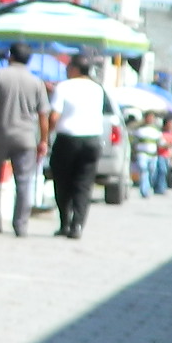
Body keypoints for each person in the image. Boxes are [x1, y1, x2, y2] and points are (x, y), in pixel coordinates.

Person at [0, 41, 48, 235]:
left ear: (10, 56)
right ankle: (21, 225)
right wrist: (43, 140)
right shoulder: (37, 82)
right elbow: (43, 115)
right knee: (23, 182)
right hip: (26, 138)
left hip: (0, 134)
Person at [44, 55, 107, 239]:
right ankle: (77, 225)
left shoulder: (64, 87)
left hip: (68, 139)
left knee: (62, 182)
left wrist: (47, 135)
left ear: (75, 69)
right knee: (84, 184)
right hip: (92, 141)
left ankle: (65, 223)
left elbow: (54, 116)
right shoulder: (98, 89)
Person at [129, 111, 163, 197]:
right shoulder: (139, 129)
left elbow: (160, 142)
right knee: (143, 170)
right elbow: (133, 142)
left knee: (152, 171)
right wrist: (133, 153)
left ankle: (148, 186)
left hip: (153, 155)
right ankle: (144, 190)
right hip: (142, 154)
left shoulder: (156, 130)